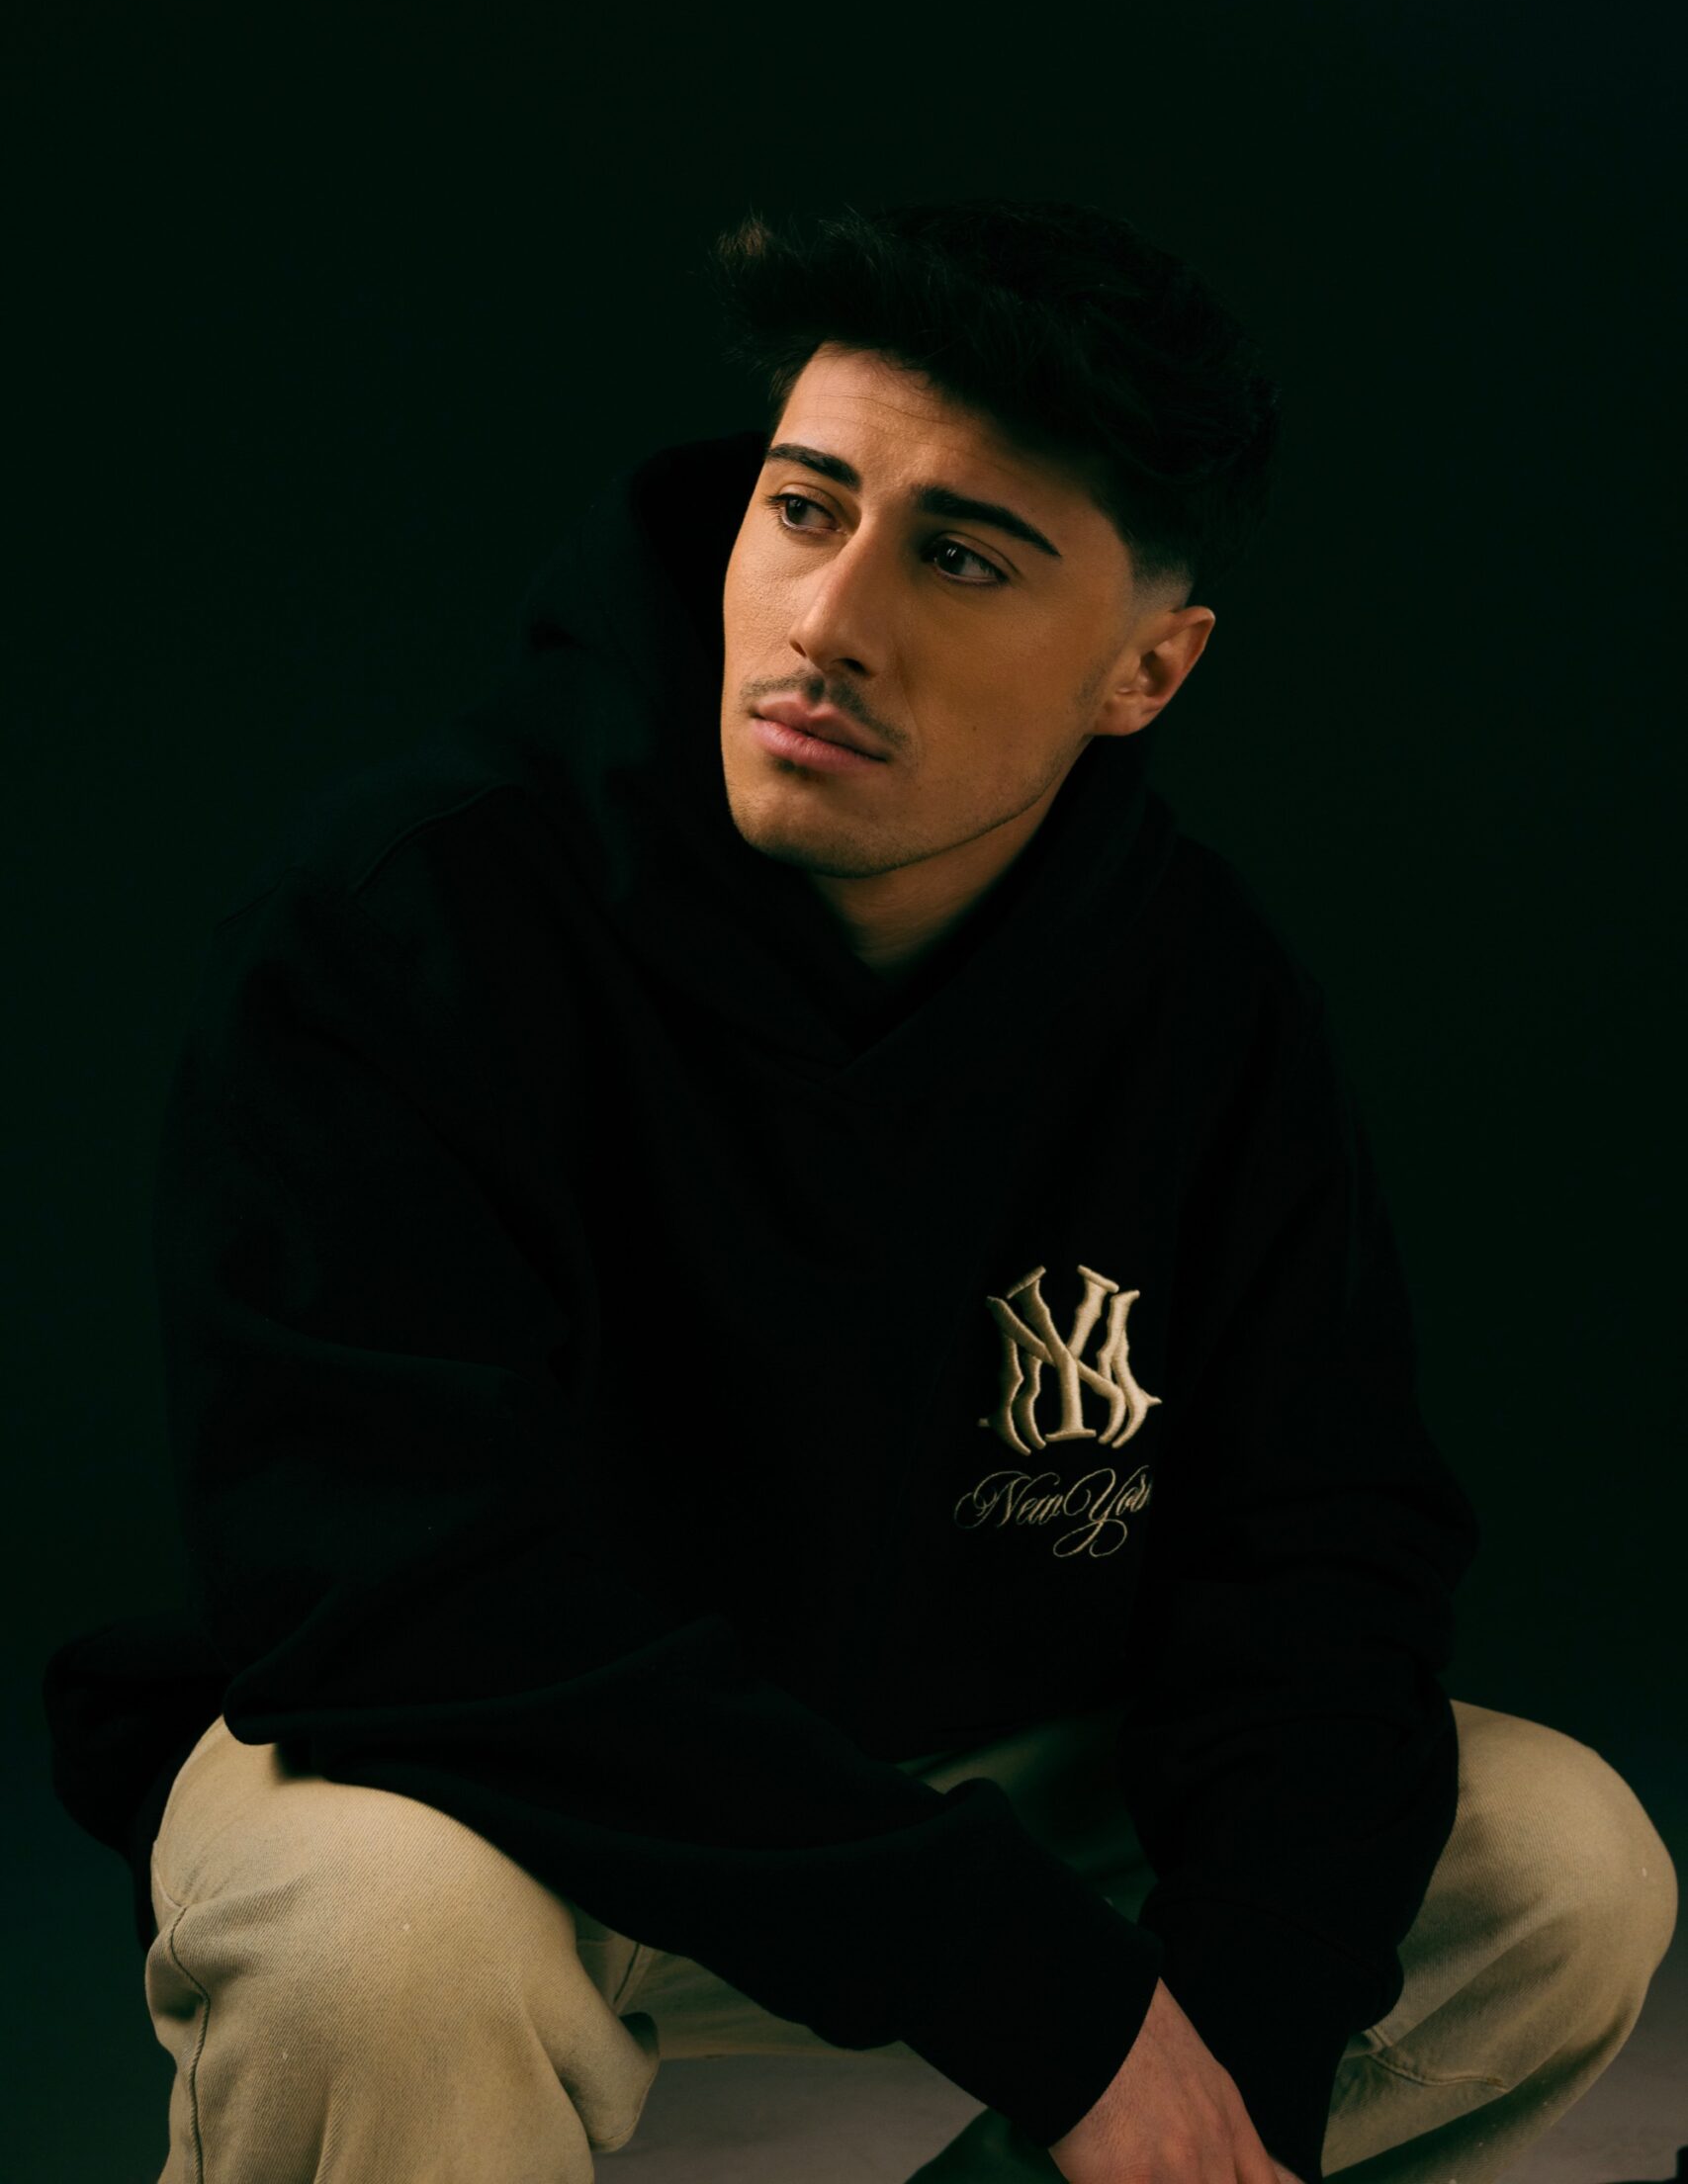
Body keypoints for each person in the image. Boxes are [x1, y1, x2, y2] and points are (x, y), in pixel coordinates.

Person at [43, 197, 1676, 2184]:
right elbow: (410, 1600)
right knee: (371, 1952)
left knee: (1556, 1867)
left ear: (1146, 669)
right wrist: (1056, 2009)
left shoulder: (1205, 999)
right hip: (473, 1768)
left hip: (983, 1764)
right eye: (804, 508)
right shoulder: (408, 922)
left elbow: (1322, 1565)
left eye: (961, 557)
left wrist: (1226, 2058)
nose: (827, 619)